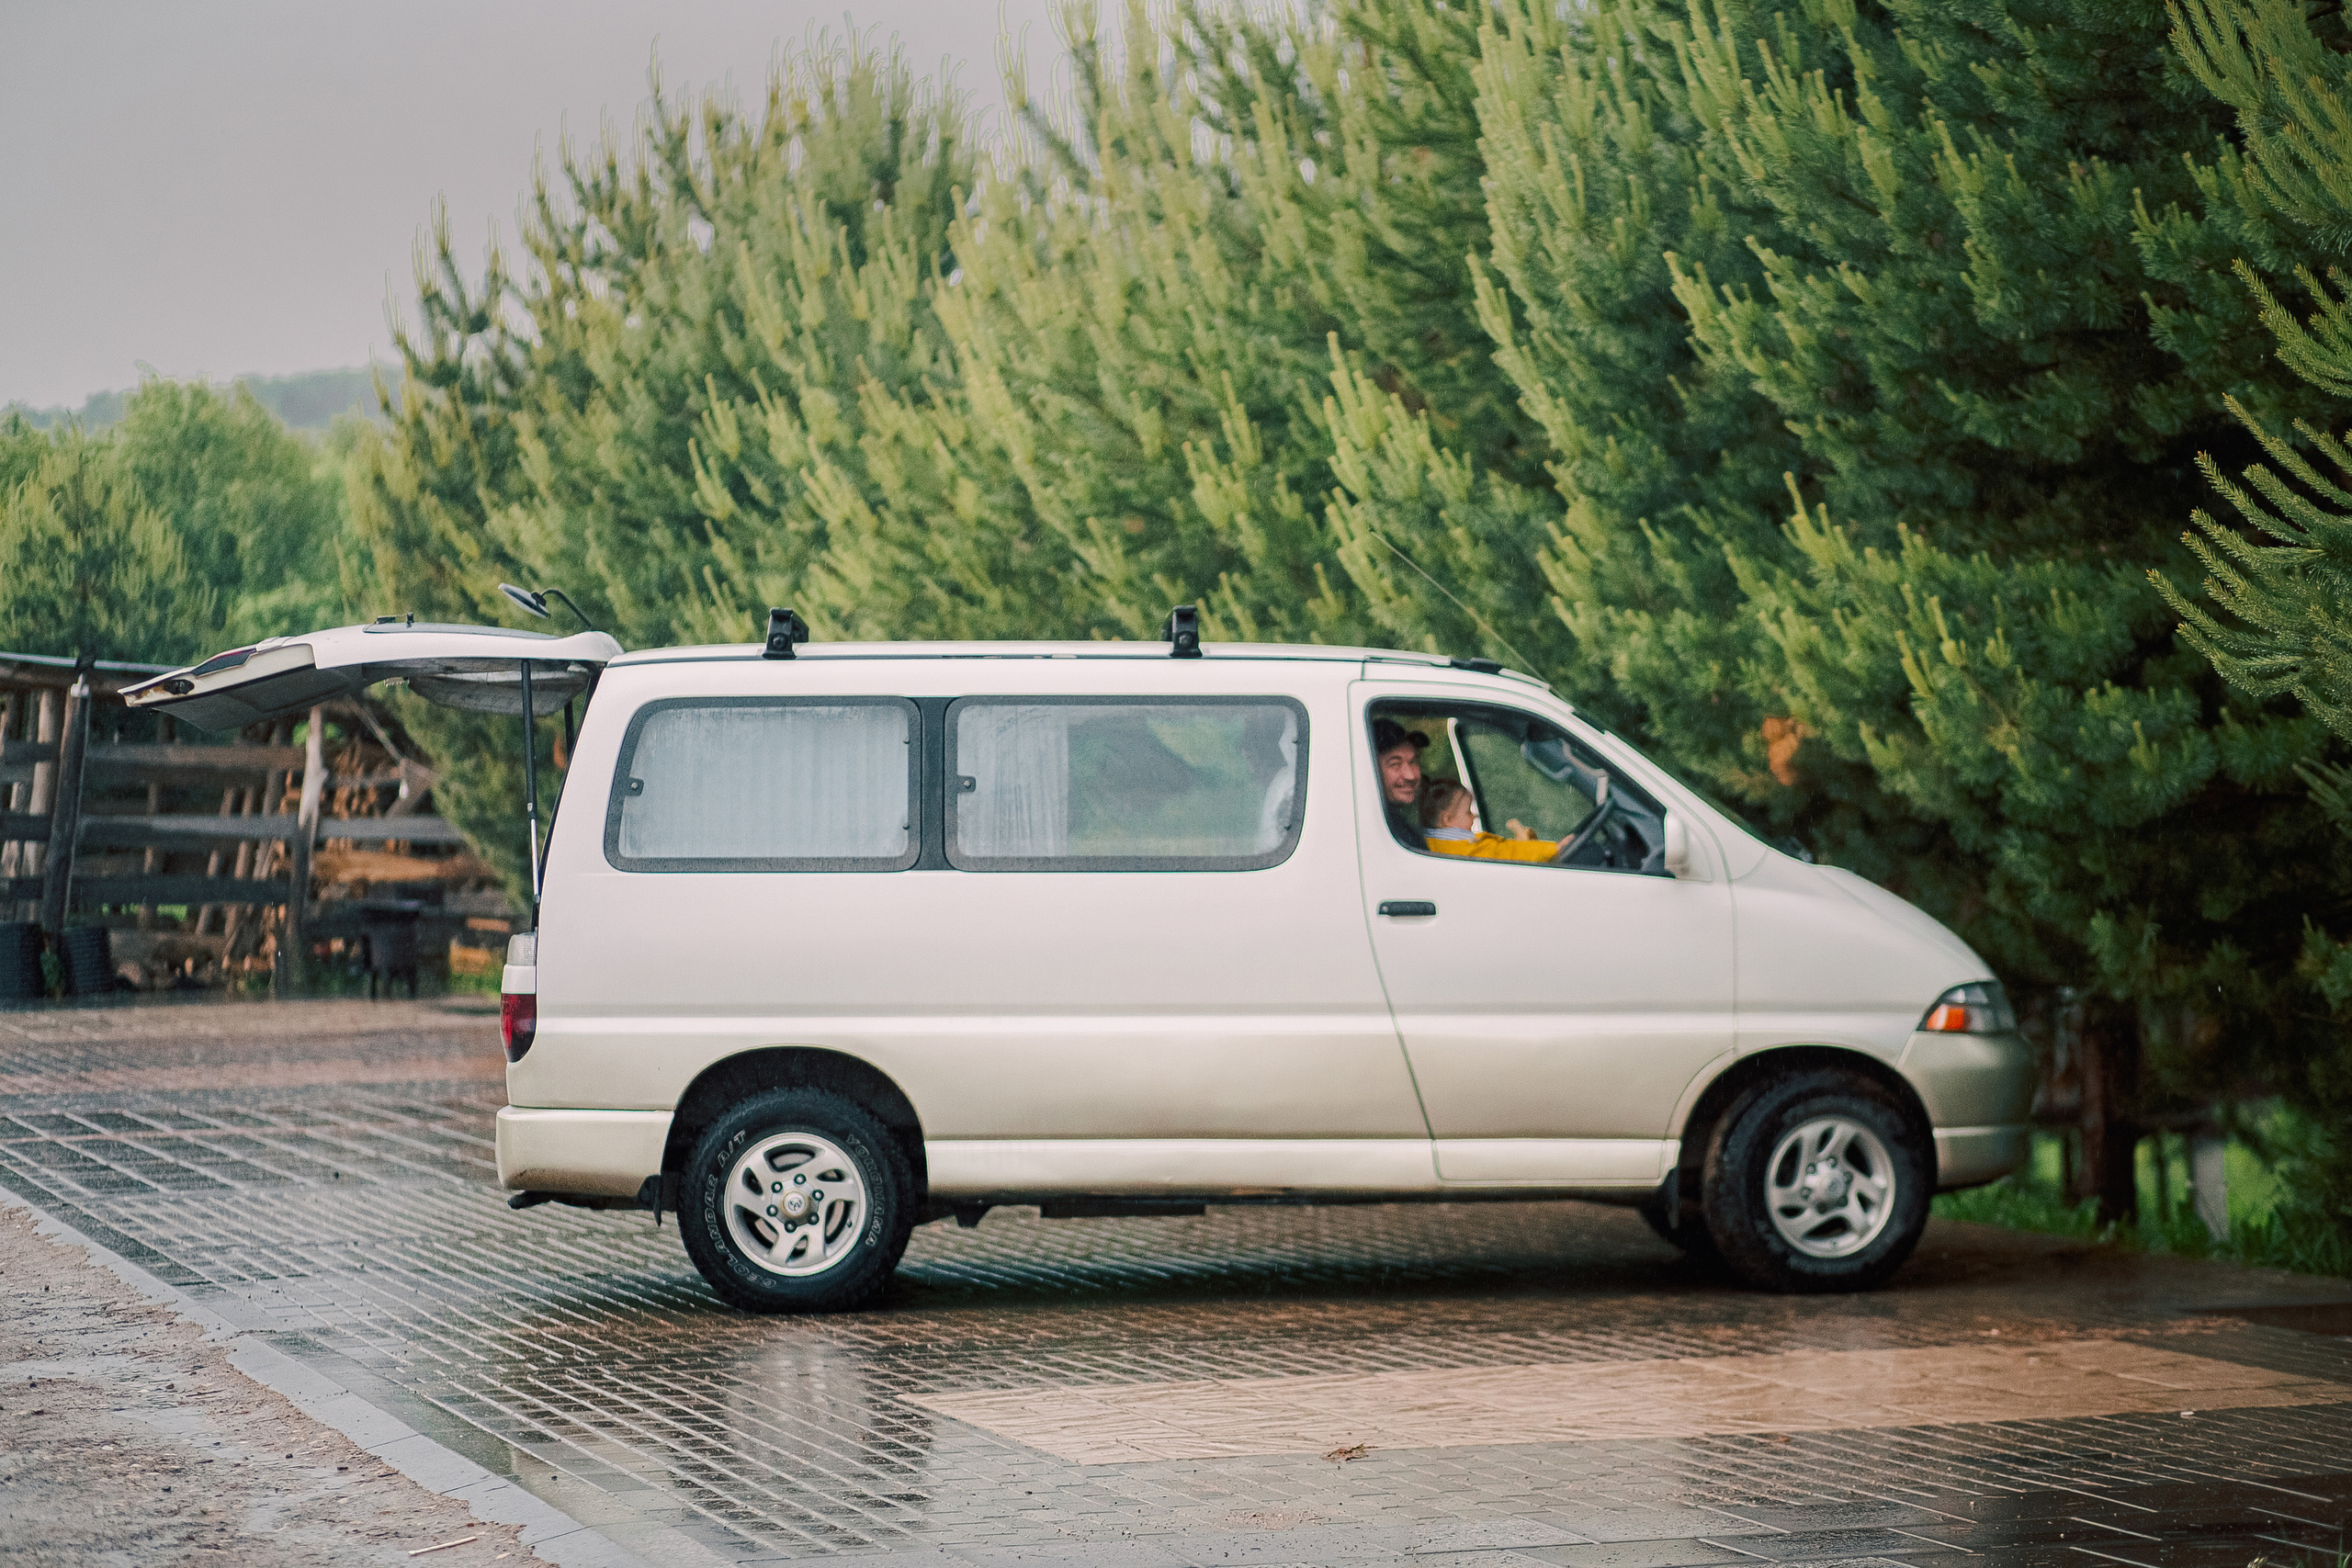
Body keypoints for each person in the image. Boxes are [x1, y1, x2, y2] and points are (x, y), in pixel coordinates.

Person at [1419, 778, 1557, 863]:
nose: (1474, 816)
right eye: (1468, 812)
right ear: (1447, 820)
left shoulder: (1430, 845)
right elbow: (1506, 853)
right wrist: (1555, 848)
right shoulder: (1465, 849)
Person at [1373, 717, 1430, 847]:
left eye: (1413, 762)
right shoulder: (1378, 829)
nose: (1410, 776)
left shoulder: (1395, 824)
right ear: (1371, 768)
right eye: (1395, 764)